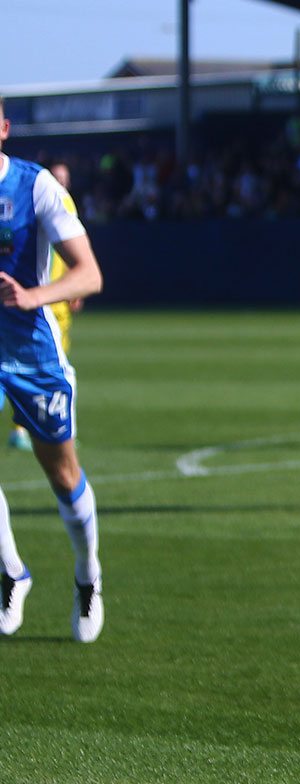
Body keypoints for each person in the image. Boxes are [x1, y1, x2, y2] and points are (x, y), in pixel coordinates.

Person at [0, 96, 106, 641]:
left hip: (31, 353)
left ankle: (88, 575)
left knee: (63, 475)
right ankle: (13, 572)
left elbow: (90, 275)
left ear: (3, 128)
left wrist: (31, 296)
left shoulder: (35, 185)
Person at [7, 161, 83, 453]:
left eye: (65, 178)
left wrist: (72, 286)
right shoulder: (34, 199)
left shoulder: (61, 202)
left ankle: (59, 432)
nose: (61, 181)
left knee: (55, 372)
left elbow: (78, 261)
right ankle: (24, 430)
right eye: (57, 176)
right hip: (32, 304)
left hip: (56, 304)